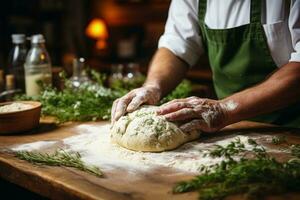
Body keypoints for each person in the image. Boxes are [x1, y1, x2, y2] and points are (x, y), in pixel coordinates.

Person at [111, 0, 300, 132]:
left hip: (291, 128)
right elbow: (176, 46)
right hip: (230, 130)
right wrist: (152, 87)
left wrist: (225, 110)